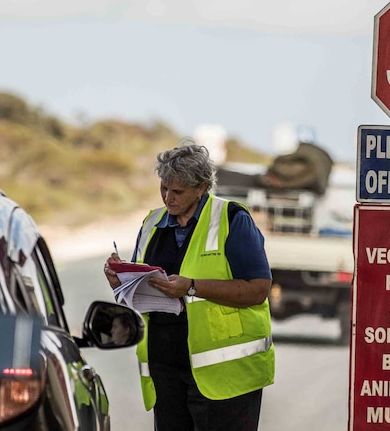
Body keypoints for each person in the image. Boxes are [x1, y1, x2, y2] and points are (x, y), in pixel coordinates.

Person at [103, 143, 274, 431]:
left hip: (226, 377)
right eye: (163, 188)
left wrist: (191, 287)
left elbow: (258, 289)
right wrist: (119, 282)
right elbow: (137, 292)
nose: (168, 198)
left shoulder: (232, 220)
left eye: (177, 191)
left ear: (201, 187)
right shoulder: (151, 223)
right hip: (165, 370)